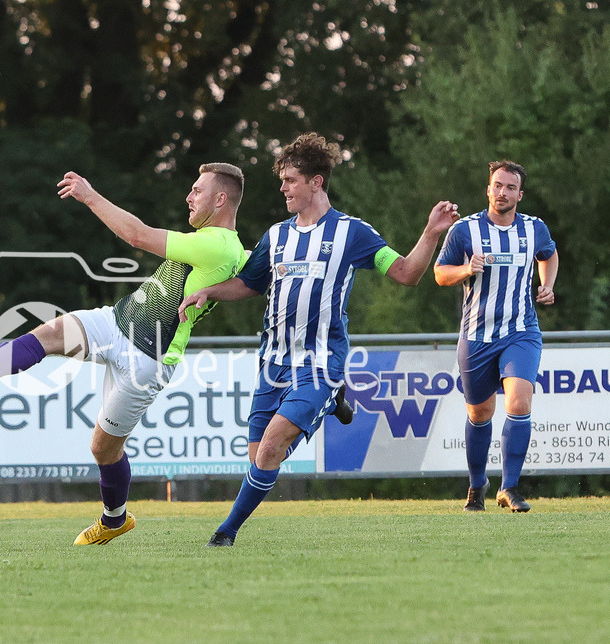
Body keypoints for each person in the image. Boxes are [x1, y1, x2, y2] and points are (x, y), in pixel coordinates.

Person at [178, 133, 461, 547]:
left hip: (319, 363)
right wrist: (209, 291)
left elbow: (405, 273)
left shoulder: (353, 233)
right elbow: (248, 283)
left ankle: (225, 533)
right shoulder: (276, 236)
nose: (282, 188)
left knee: (271, 447)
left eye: (290, 180)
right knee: (260, 457)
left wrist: (431, 233)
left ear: (316, 183)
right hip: (272, 363)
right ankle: (327, 407)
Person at [0, 164, 250, 545]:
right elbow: (252, 273)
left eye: (197, 190)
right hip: (116, 322)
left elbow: (137, 235)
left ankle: (114, 519)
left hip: (148, 360)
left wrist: (89, 195)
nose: (189, 197)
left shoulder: (217, 244)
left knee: (103, 447)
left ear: (221, 199)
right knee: (52, 332)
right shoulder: (229, 247)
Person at [434, 161, 558, 513]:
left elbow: (548, 254)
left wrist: (546, 285)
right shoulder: (465, 230)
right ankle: (477, 486)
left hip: (521, 331)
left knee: (519, 403)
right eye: (496, 185)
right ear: (488, 189)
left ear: (520, 194)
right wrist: (464, 270)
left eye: (509, 187)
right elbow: (440, 274)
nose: (502, 192)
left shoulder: (534, 228)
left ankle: (511, 487)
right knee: (480, 411)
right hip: (476, 335)